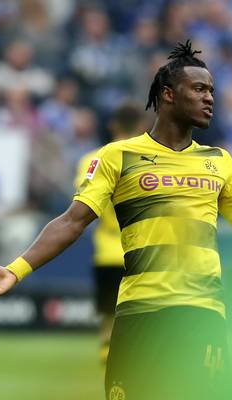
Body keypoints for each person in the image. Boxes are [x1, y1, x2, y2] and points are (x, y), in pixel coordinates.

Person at [0, 41, 232, 400]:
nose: (209, 98)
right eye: (199, 89)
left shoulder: (219, 161)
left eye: (211, 90)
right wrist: (15, 270)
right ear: (168, 94)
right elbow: (72, 221)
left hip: (201, 314)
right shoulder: (118, 156)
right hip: (140, 313)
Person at [73, 101, 147, 364]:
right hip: (142, 250)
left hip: (107, 249)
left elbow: (83, 199)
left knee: (108, 312)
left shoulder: (92, 159)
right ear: (142, 125)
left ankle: (107, 351)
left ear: (112, 125)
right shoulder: (152, 159)